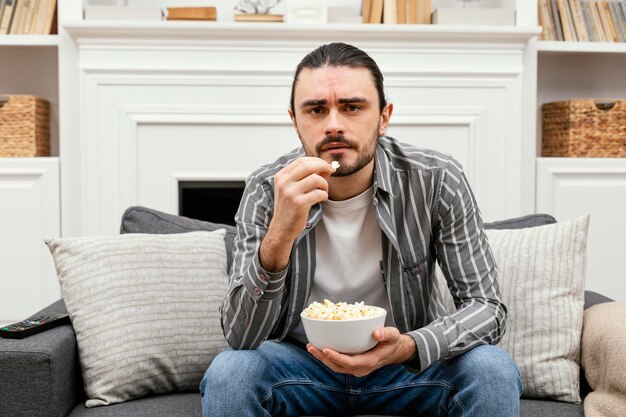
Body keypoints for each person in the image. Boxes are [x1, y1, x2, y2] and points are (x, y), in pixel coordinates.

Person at [200, 42, 522, 416]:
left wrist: (410, 347)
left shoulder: (436, 179)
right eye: (316, 109)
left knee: (492, 368)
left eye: (352, 107)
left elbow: (487, 308)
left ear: (384, 117)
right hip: (301, 365)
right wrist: (280, 233)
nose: (334, 124)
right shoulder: (266, 188)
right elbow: (242, 336)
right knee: (231, 372)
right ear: (295, 121)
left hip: (406, 365)